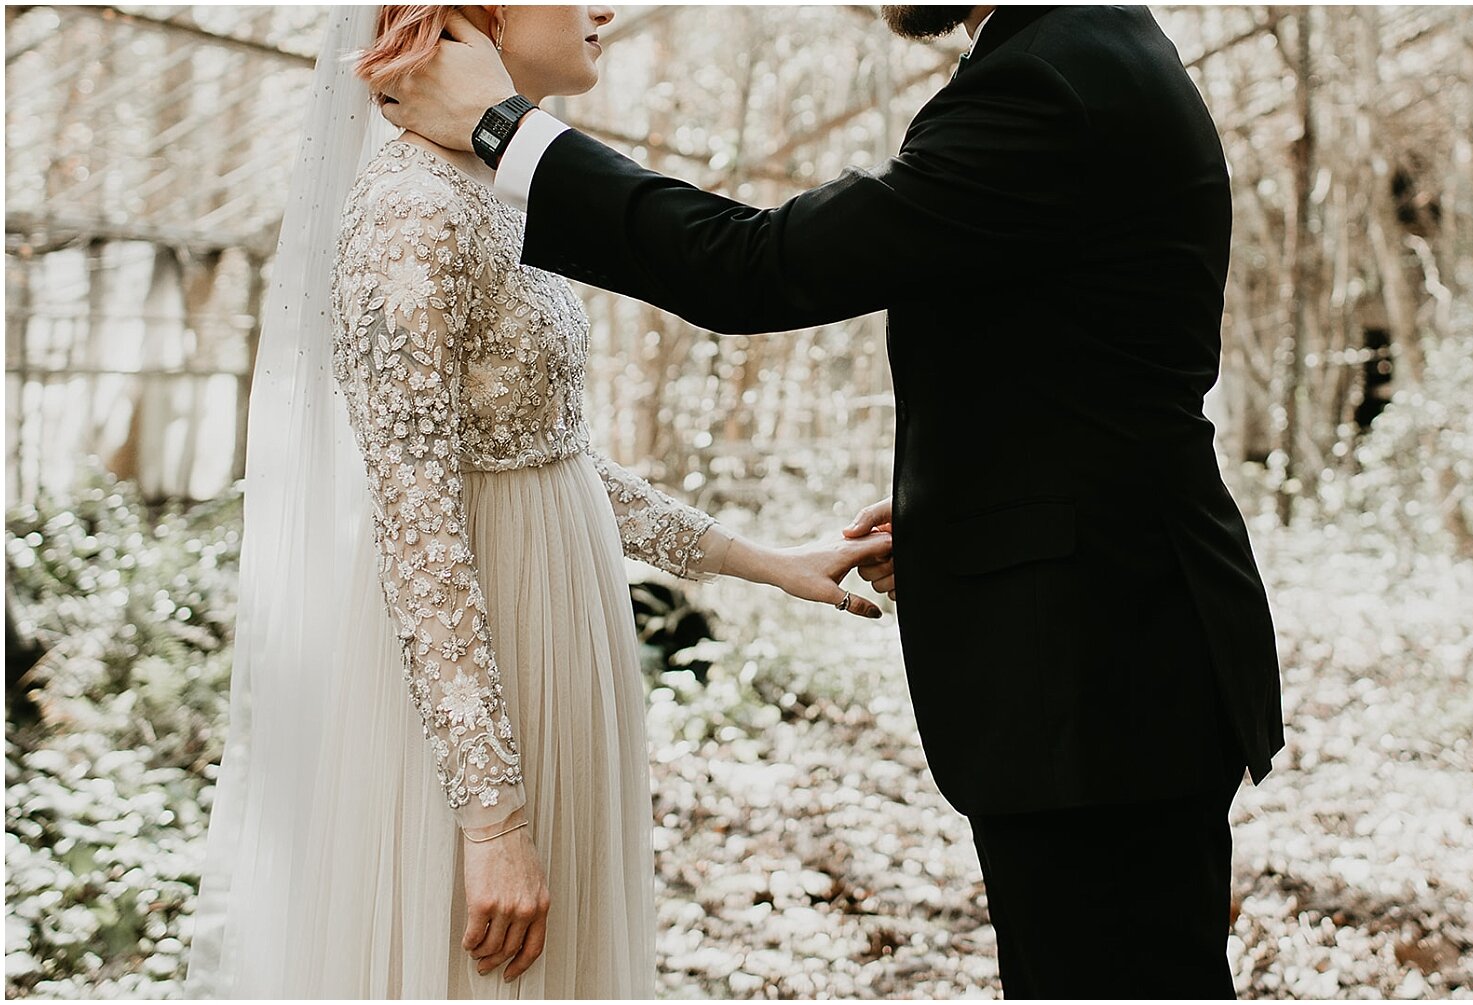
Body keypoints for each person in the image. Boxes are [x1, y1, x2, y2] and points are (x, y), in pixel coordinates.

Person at [380, 4, 1287, 998]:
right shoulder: (1086, 50)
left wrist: (507, 128)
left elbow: (758, 268)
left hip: (1101, 671)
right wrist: (965, 514)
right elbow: (1073, 354)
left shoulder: (1048, 78)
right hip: (1117, 646)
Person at [186, 6, 890, 998]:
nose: (606, 7)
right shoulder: (409, 215)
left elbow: (554, 460)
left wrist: (767, 562)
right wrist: (491, 821)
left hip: (567, 643)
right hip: (478, 682)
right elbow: (417, 523)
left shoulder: (504, 190)